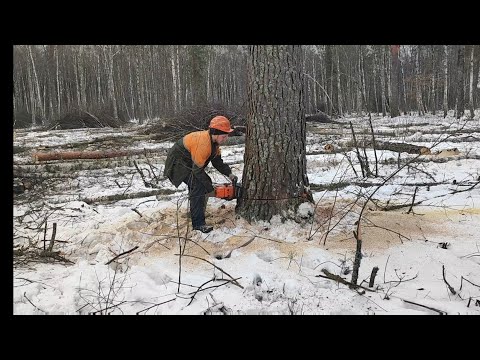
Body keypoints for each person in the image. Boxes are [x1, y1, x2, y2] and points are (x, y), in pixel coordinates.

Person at [163, 115, 238, 233]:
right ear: (216, 133)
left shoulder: (214, 143)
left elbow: (217, 162)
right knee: (198, 185)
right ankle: (198, 224)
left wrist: (230, 174)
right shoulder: (204, 144)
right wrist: (210, 189)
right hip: (177, 163)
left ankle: (196, 212)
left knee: (201, 184)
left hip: (188, 162)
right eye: (224, 136)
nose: (226, 139)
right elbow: (197, 171)